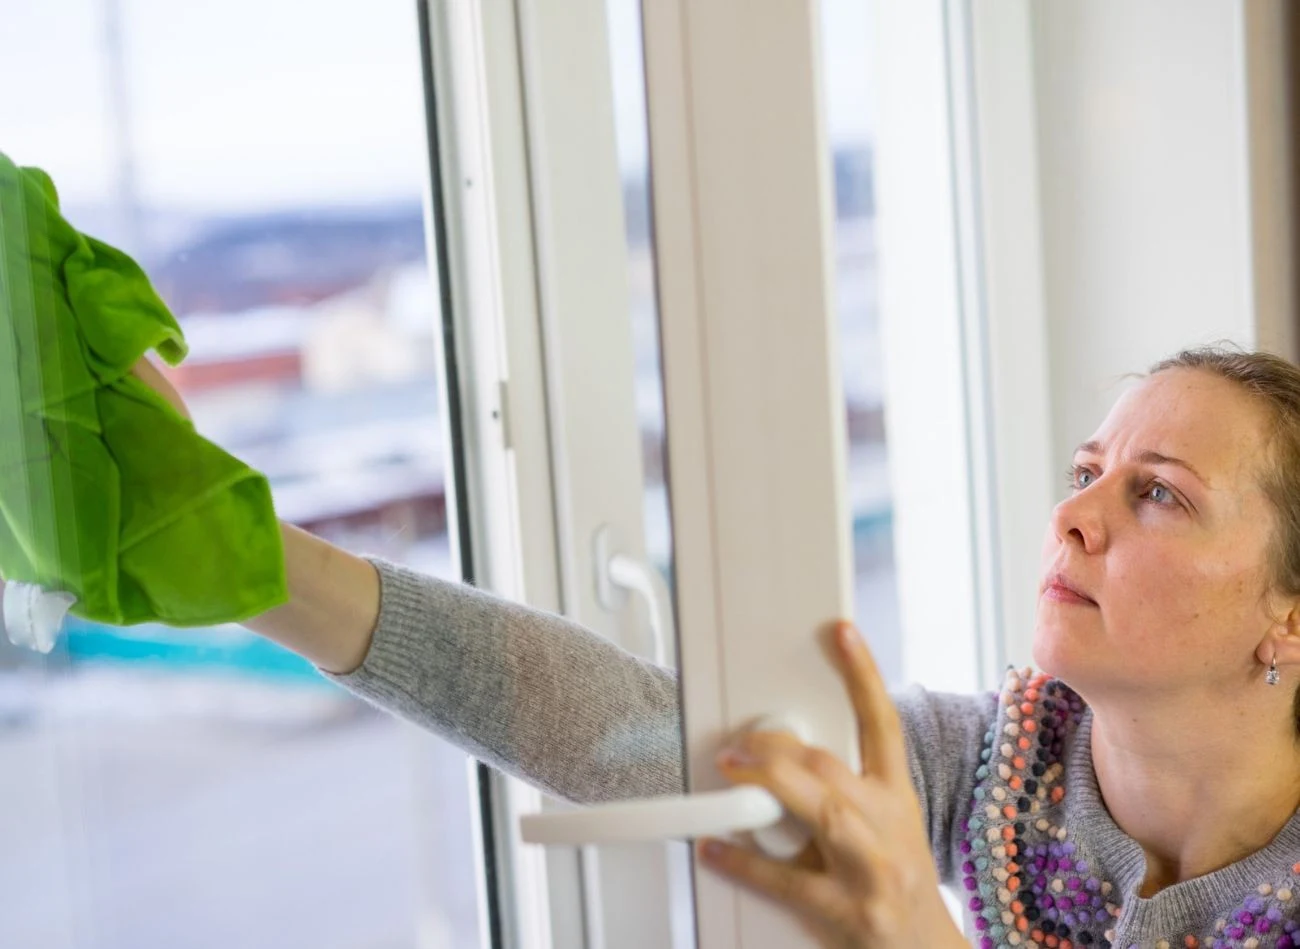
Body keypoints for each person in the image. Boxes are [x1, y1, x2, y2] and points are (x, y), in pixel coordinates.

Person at [125, 346, 1300, 948]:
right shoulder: (1007, 767)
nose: (1073, 516)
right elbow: (634, 736)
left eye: (1159, 495)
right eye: (1086, 473)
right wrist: (258, 560)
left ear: (1285, 615)